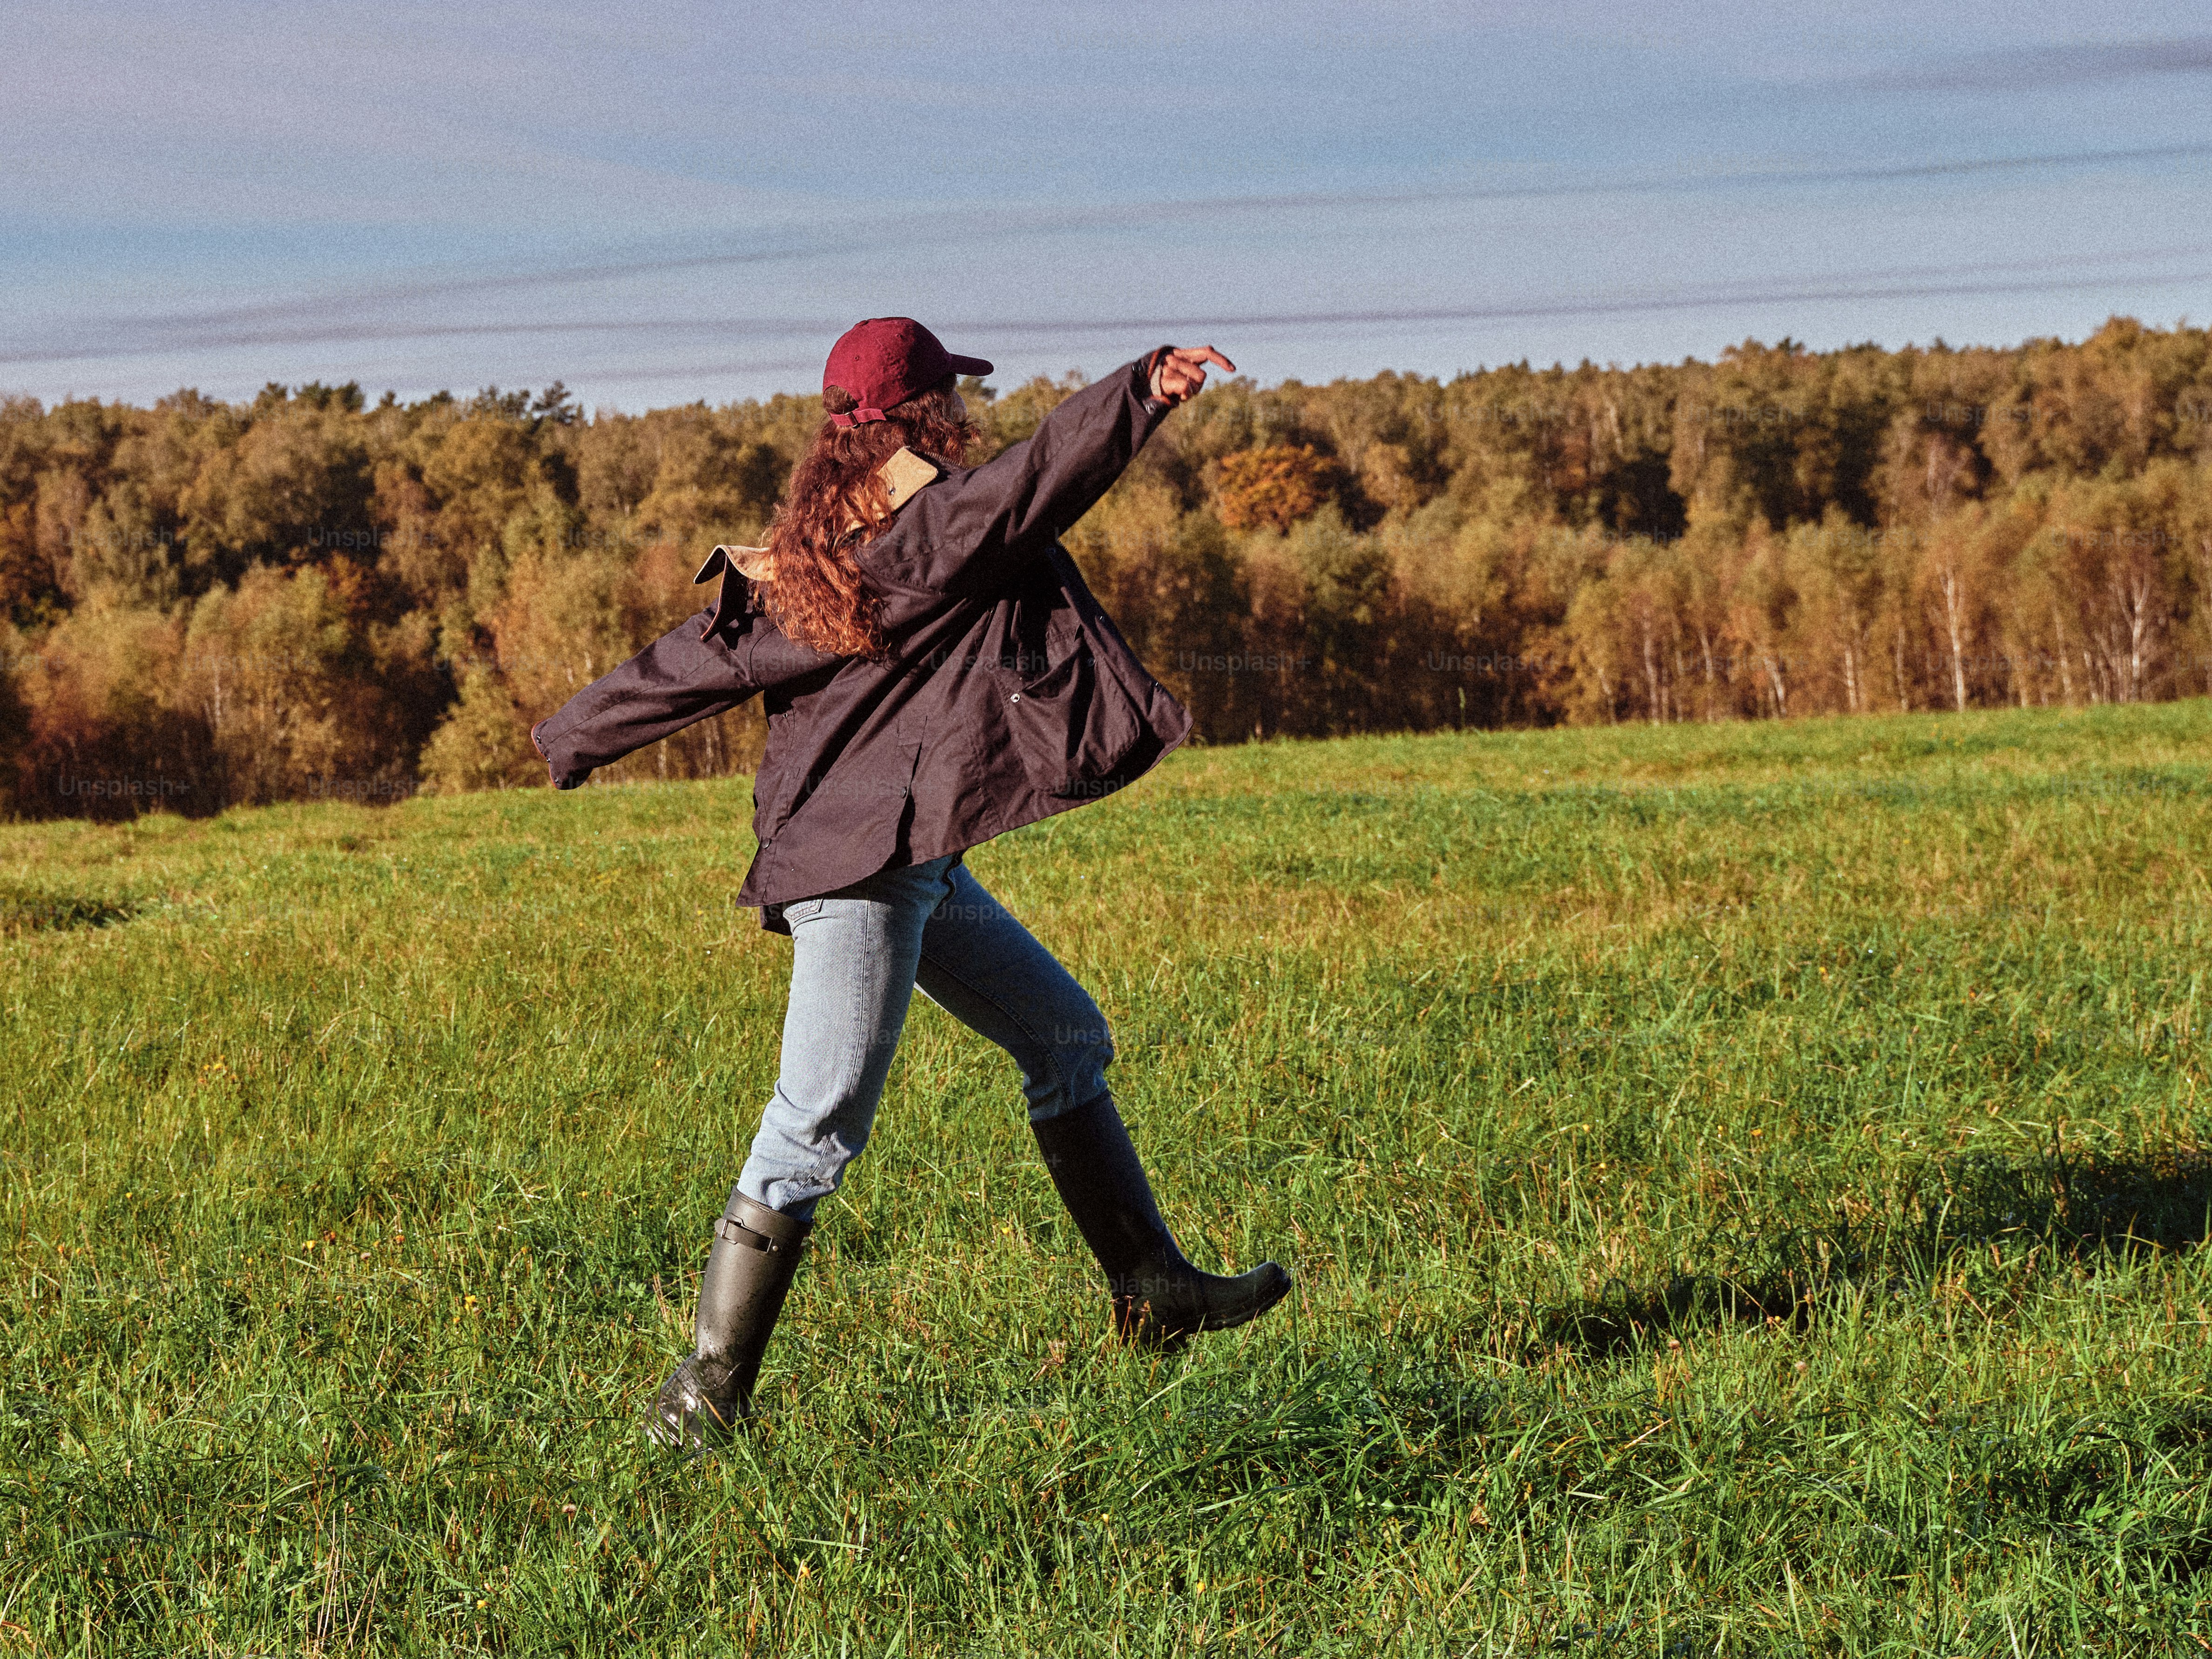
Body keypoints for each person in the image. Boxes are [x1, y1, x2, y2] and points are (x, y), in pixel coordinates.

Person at [531, 318, 1289, 1450]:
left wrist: (570, 734)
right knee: (816, 1124)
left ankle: (1152, 1290)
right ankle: (700, 1401)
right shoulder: (929, 530)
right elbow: (1040, 476)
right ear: (924, 412)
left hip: (908, 863)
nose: (966, 415)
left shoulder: (816, 552)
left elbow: (693, 657)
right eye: (953, 398)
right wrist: (1140, 390)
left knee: (1065, 1039)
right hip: (863, 873)